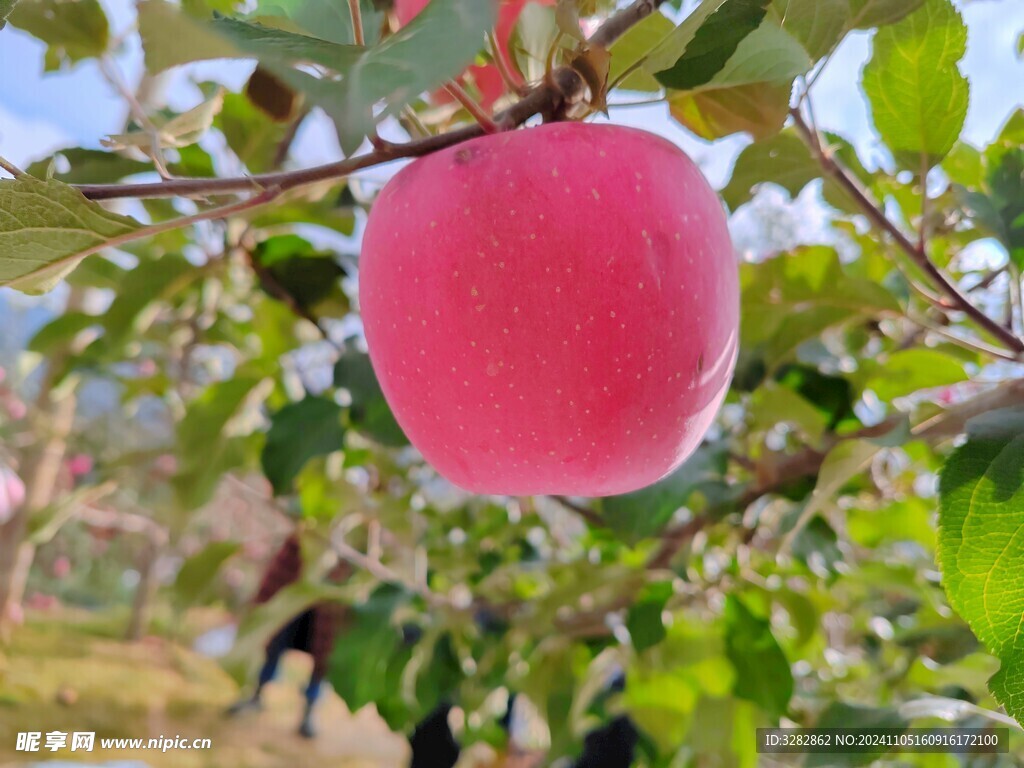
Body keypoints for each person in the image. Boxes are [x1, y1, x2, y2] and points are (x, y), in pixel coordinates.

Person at [226, 532, 351, 738]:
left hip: (328, 597)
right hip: (294, 588)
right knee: (275, 640)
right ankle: (257, 695)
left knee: (323, 656)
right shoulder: (310, 527)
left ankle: (309, 711)